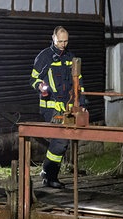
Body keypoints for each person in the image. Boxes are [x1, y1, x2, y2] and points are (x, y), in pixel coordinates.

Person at [29, 26, 85, 188]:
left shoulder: (70, 57)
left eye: (66, 41)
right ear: (53, 38)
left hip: (67, 108)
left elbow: (78, 82)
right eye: (60, 41)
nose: (63, 44)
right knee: (60, 140)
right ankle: (49, 175)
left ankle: (48, 173)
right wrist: (40, 85)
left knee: (63, 142)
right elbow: (33, 79)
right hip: (50, 107)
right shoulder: (45, 57)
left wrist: (82, 102)